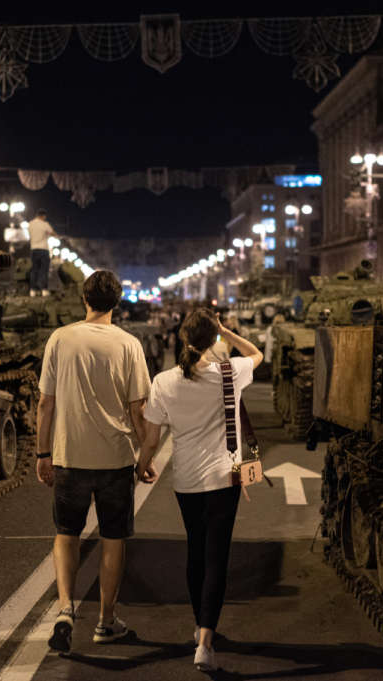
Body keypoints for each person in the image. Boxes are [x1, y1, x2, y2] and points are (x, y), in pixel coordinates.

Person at [136, 308, 263, 672]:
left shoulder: (163, 382)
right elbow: (256, 353)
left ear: (181, 338)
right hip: (225, 478)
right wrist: (228, 332)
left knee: (196, 550)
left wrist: (142, 463)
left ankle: (198, 625)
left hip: (186, 480)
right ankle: (206, 641)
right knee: (216, 557)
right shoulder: (230, 373)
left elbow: (152, 436)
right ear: (214, 340)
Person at [36, 269, 151, 655]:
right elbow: (139, 410)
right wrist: (145, 456)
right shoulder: (129, 345)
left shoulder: (60, 338)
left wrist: (42, 453)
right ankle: (105, 621)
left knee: (66, 534)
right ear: (117, 303)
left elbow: (45, 402)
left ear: (84, 299)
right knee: (113, 539)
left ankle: (65, 609)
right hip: (116, 460)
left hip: (69, 456)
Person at [27, 209, 57, 297]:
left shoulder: (31, 224)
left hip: (33, 249)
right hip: (43, 249)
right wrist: (55, 235)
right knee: (44, 270)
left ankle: (33, 290)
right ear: (43, 216)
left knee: (34, 270)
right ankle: (44, 290)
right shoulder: (45, 224)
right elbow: (53, 233)